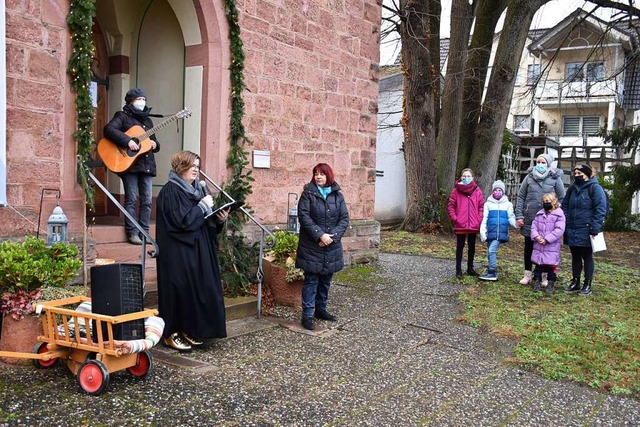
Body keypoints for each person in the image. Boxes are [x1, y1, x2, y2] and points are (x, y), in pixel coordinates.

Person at [155, 150, 229, 351]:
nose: (197, 170)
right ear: (181, 167)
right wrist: (201, 208)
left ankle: (189, 330)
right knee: (178, 291)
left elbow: (204, 222)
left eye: (198, 166)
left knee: (193, 291)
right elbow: (181, 222)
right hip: (177, 251)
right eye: (193, 166)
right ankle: (170, 333)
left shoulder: (197, 190)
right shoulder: (171, 191)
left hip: (196, 249)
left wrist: (218, 219)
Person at [295, 163, 350, 331]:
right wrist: (320, 235)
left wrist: (331, 237)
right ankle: (308, 315)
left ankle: (320, 309)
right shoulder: (308, 194)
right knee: (311, 281)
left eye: (322, 174)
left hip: (331, 246)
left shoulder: (337, 196)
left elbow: (344, 218)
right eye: (316, 174)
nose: (318, 177)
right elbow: (304, 217)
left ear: (329, 176)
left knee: (325, 281)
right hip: (312, 246)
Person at [103, 88, 160, 245]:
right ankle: (133, 232)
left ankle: (144, 233)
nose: (142, 102)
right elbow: (109, 129)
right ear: (130, 101)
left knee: (147, 201)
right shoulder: (122, 116)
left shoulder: (148, 121)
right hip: (129, 165)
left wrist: (155, 145)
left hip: (146, 165)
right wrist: (127, 141)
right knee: (132, 199)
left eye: (144, 99)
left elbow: (153, 142)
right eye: (139, 99)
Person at [514, 153, 565, 285]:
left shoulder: (555, 178)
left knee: (545, 248)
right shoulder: (529, 177)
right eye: (538, 162)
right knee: (529, 247)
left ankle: (544, 276)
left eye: (543, 162)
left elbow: (562, 198)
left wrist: (556, 214)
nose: (540, 165)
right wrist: (519, 215)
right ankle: (527, 274)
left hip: (548, 221)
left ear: (548, 164)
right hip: (530, 218)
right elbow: (521, 197)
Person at [562, 164, 607, 296]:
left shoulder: (595, 188)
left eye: (579, 173)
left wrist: (595, 227)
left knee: (587, 256)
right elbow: (565, 204)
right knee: (575, 256)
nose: (577, 175)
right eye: (575, 173)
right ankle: (575, 281)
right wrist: (565, 218)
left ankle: (587, 283)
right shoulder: (572, 188)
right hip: (572, 227)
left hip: (587, 229)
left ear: (587, 174)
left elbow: (600, 209)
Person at [447, 168, 484, 279]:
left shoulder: (477, 191)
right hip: (461, 224)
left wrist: (478, 219)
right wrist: (455, 218)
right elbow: (451, 206)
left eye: (468, 176)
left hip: (473, 224)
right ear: (461, 177)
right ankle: (458, 270)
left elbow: (481, 206)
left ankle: (470, 268)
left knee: (472, 247)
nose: (466, 178)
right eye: (464, 176)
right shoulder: (456, 191)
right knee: (460, 246)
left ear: (472, 178)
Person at [479, 180, 517, 281]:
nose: (498, 191)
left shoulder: (508, 204)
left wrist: (516, 224)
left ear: (503, 191)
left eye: (500, 190)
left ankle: (492, 272)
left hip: (500, 234)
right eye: (496, 190)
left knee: (492, 250)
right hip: (490, 232)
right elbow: (484, 218)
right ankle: (490, 269)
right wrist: (483, 231)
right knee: (489, 251)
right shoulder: (488, 204)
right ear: (492, 191)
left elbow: (511, 217)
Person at [530, 193, 565, 293]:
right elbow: (534, 227)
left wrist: (547, 239)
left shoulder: (559, 215)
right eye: (544, 202)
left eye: (548, 201)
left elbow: (559, 230)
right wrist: (537, 237)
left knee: (551, 267)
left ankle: (551, 282)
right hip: (539, 245)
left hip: (551, 246)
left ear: (554, 201)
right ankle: (536, 281)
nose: (546, 203)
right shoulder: (539, 214)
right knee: (538, 266)